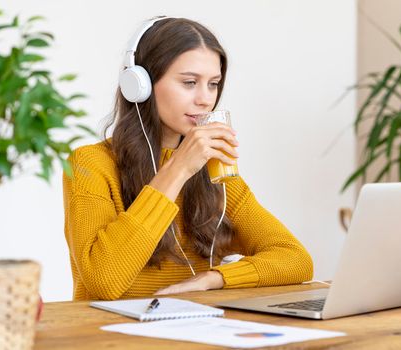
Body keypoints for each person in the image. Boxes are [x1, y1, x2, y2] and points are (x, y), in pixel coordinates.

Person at [63, 16, 313, 301]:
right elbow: (104, 282)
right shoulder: (89, 164)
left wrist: (215, 278)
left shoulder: (215, 172)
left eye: (213, 84)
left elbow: (296, 259)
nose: (205, 99)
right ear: (140, 84)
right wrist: (179, 169)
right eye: (190, 82)